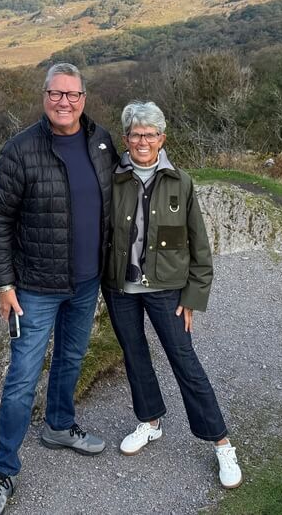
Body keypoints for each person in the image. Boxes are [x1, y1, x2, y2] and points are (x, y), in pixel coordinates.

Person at [0, 63, 118, 515]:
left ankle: (59, 425)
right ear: (44, 96)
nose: (64, 102)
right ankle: (4, 472)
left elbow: (128, 185)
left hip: (85, 282)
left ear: (84, 98)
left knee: (72, 358)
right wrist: (4, 283)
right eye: (56, 94)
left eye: (72, 95)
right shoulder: (20, 150)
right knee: (21, 379)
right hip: (35, 287)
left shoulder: (100, 142)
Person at [102, 100, 242, 489]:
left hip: (167, 292)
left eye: (150, 134)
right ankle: (149, 422)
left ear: (162, 138)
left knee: (185, 360)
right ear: (125, 138)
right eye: (135, 134)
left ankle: (221, 443)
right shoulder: (113, 178)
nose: (142, 141)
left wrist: (192, 296)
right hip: (121, 289)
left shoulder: (181, 181)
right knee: (135, 355)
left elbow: (200, 246)